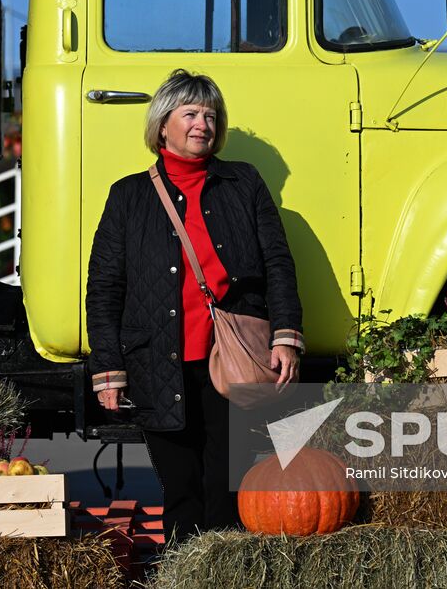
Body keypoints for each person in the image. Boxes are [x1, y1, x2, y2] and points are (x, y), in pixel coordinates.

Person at [85, 69, 304, 545]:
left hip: (232, 358)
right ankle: (186, 571)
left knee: (227, 486)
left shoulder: (243, 183)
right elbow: (104, 287)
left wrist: (286, 335)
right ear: (163, 124)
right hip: (156, 361)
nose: (203, 123)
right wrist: (108, 369)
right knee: (180, 490)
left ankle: (223, 572)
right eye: (190, 113)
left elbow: (278, 263)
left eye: (211, 114)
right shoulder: (128, 196)